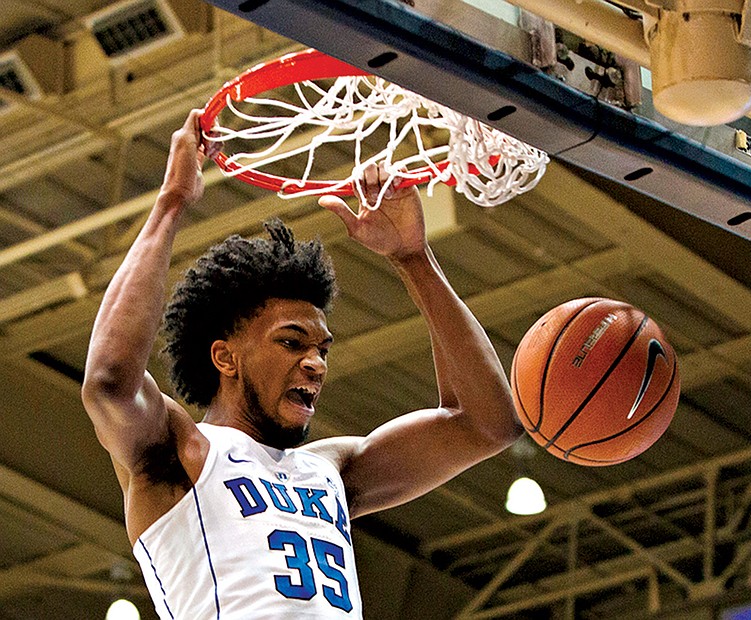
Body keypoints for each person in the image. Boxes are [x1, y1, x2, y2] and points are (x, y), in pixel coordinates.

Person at [82, 109, 522, 619]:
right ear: (226, 357)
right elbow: (110, 382)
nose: (315, 363)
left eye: (322, 349)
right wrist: (172, 203)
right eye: (292, 344)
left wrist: (414, 260)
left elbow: (487, 423)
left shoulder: (331, 469)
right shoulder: (180, 452)